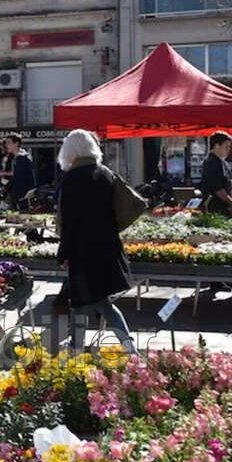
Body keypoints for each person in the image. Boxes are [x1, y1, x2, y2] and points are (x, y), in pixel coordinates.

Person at [54, 129, 137, 354]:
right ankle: (127, 346)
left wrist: (63, 254)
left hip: (82, 251)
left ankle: (76, 348)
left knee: (82, 302)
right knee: (102, 302)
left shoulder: (70, 179)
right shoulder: (106, 174)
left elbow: (68, 223)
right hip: (107, 248)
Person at [200, 132, 232, 217]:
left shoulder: (222, 162)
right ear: (217, 146)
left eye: (229, 147)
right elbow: (217, 188)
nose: (229, 149)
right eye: (226, 146)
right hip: (215, 210)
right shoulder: (211, 162)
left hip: (224, 208)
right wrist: (231, 203)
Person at [0, 134, 36, 210]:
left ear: (16, 144)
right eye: (6, 143)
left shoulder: (21, 158)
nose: (6, 145)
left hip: (22, 195)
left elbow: (17, 178)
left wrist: (5, 186)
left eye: (8, 143)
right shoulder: (17, 158)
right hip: (20, 195)